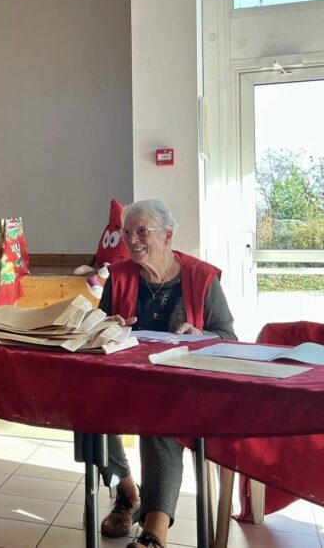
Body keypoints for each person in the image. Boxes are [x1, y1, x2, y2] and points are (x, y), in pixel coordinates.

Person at [96, 199, 236, 548]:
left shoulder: (202, 278)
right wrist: (109, 326)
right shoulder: (120, 277)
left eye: (142, 231)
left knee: (159, 413)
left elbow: (229, 338)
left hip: (184, 390)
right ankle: (127, 492)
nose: (132, 240)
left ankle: (154, 532)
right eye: (127, 232)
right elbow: (96, 332)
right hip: (128, 383)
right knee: (87, 406)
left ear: (168, 235)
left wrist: (201, 336)